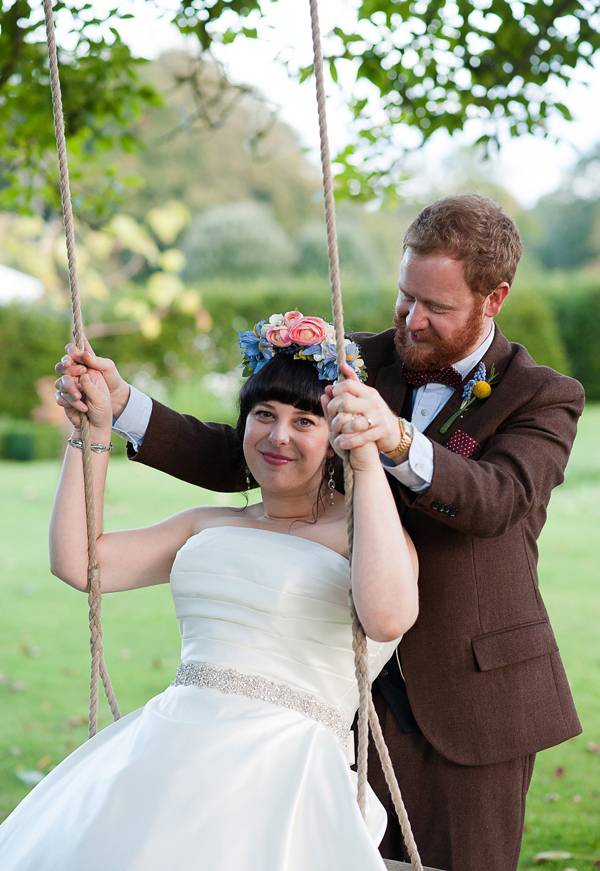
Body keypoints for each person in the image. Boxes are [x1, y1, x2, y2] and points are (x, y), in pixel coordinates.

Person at [54, 193, 585, 871]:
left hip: (469, 691)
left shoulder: (542, 394)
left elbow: (496, 500)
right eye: (403, 295)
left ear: (495, 298)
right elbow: (251, 455)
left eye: (435, 307)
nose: (410, 318)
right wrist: (124, 408)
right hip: (326, 685)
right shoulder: (355, 359)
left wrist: (393, 438)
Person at [0, 316, 419, 871]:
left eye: (305, 421)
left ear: (337, 432)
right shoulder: (207, 523)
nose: (278, 436)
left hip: (283, 772)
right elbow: (81, 562)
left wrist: (365, 460)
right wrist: (91, 431)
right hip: (166, 751)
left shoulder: (366, 534)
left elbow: (388, 618)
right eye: (263, 415)